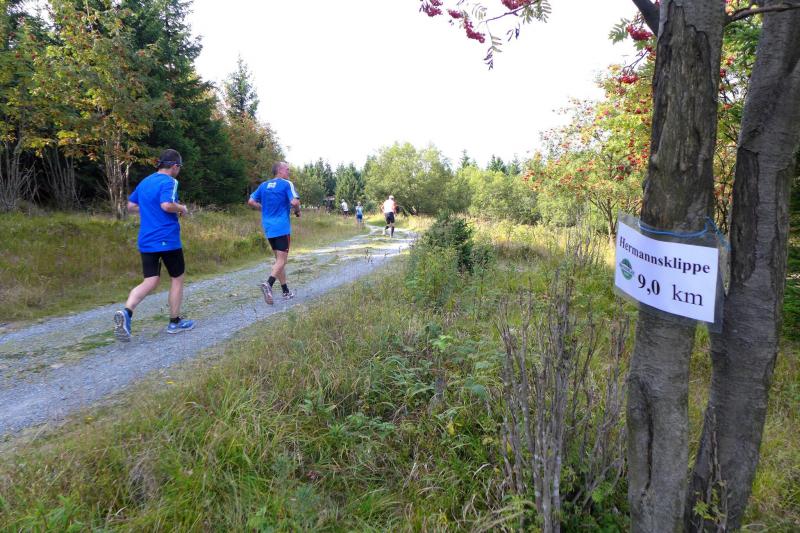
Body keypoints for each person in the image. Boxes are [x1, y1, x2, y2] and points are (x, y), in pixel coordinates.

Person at [114, 149, 195, 341]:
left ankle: (127, 312)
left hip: (146, 240)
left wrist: (149, 209)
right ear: (174, 166)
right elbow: (166, 205)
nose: (179, 171)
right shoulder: (170, 181)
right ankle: (175, 322)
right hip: (167, 239)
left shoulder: (145, 182)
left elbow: (130, 206)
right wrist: (182, 208)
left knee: (150, 280)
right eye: (179, 167)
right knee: (177, 278)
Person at [248, 161, 301, 304]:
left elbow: (251, 201)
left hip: (268, 227)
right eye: (287, 169)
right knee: (282, 260)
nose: (289, 172)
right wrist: (297, 211)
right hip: (282, 227)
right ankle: (268, 284)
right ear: (280, 170)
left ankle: (285, 291)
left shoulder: (263, 185)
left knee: (279, 260)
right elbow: (295, 202)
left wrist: (263, 208)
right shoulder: (286, 184)